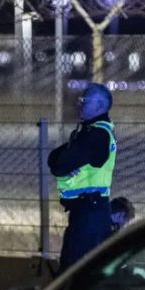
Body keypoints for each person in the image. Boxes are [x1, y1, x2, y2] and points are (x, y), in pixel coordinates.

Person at [48, 83, 117, 274]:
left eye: (84, 100)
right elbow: (54, 157)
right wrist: (60, 161)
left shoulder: (97, 135)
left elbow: (60, 163)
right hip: (89, 211)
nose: (79, 104)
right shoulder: (91, 132)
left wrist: (60, 162)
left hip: (89, 214)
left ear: (100, 105)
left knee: (73, 273)